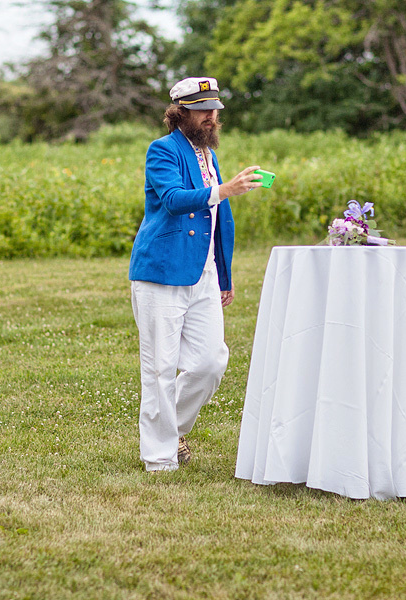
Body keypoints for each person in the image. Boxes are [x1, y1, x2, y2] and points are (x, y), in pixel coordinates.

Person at [128, 76, 264, 472]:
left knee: (211, 362)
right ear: (180, 113)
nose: (211, 117)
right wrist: (224, 190)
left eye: (214, 110)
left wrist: (224, 275)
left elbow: (219, 222)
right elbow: (172, 200)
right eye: (203, 110)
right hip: (161, 272)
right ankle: (160, 458)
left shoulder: (208, 155)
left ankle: (173, 430)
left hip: (204, 274)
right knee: (160, 367)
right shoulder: (162, 150)